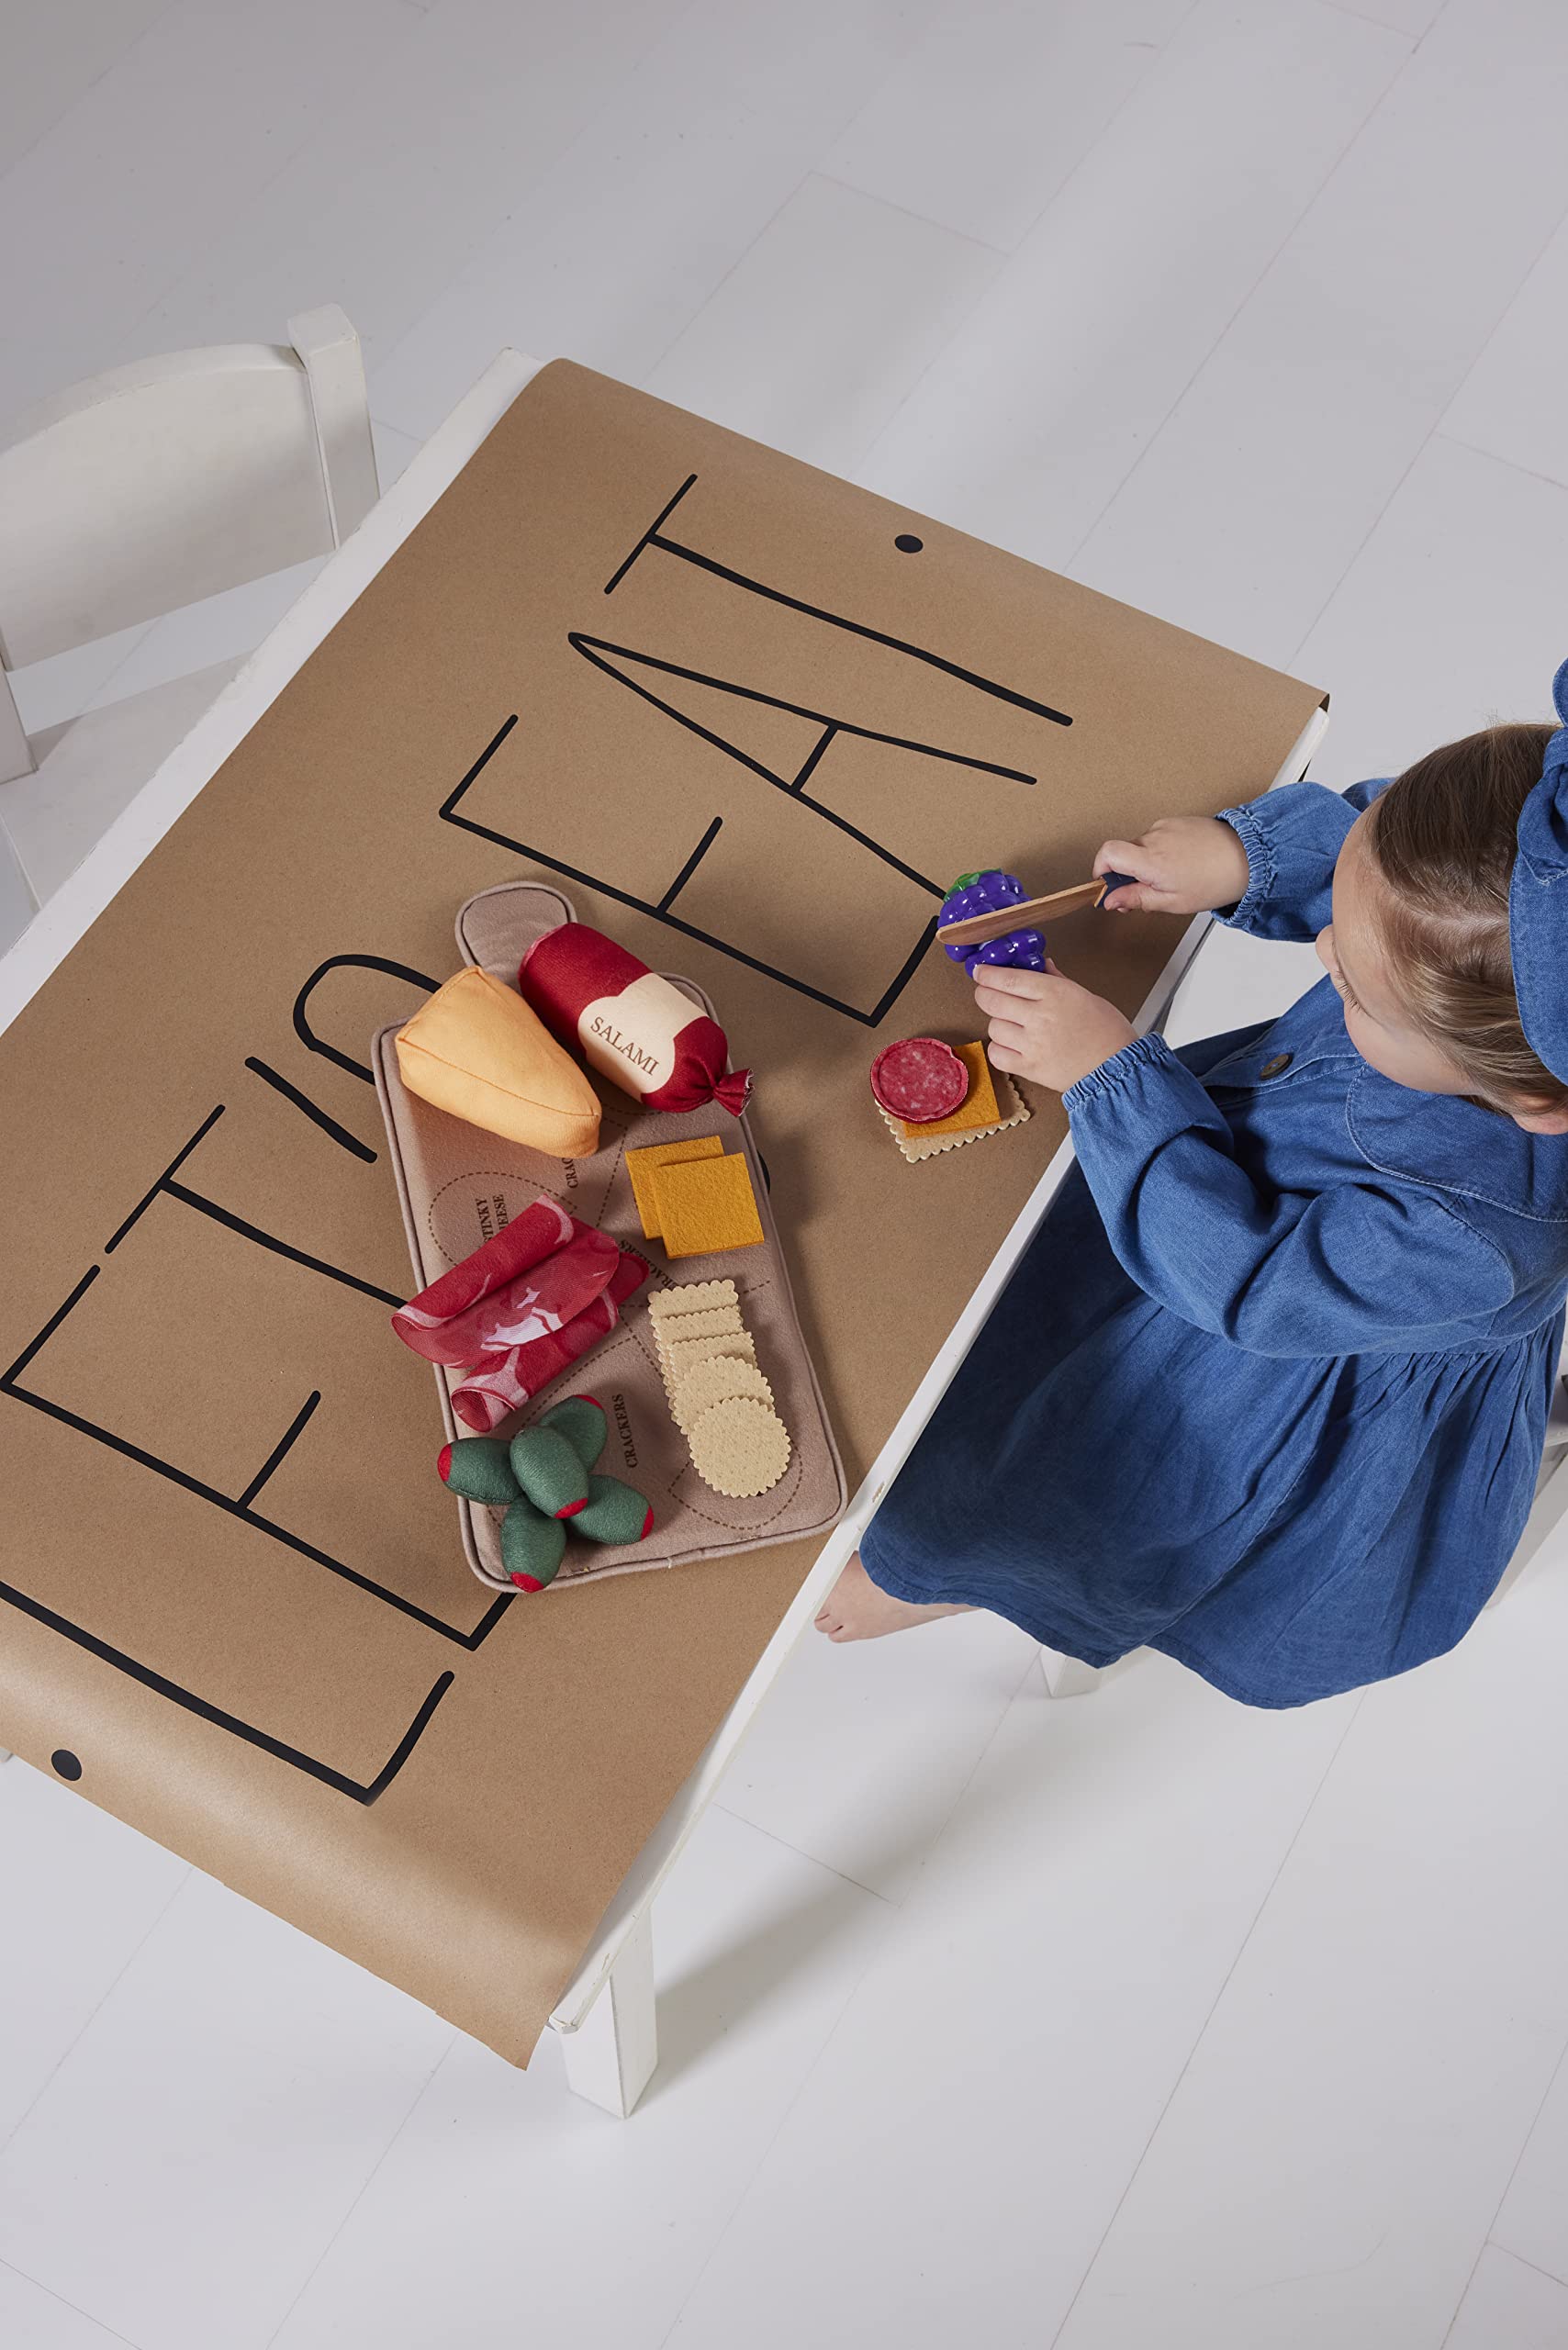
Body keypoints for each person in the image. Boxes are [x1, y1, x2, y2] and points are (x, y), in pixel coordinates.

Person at [815, 664, 1568, 1708]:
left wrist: (1105, 1076)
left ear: (1527, 1100)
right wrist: (1245, 858)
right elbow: (1400, 882)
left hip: (1252, 1352)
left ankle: (954, 1574)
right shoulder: (1512, 910)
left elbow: (1252, 1282)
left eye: (1348, 984)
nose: (1320, 954)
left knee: (1067, 1498)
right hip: (1195, 1202)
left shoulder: (1478, 1232)